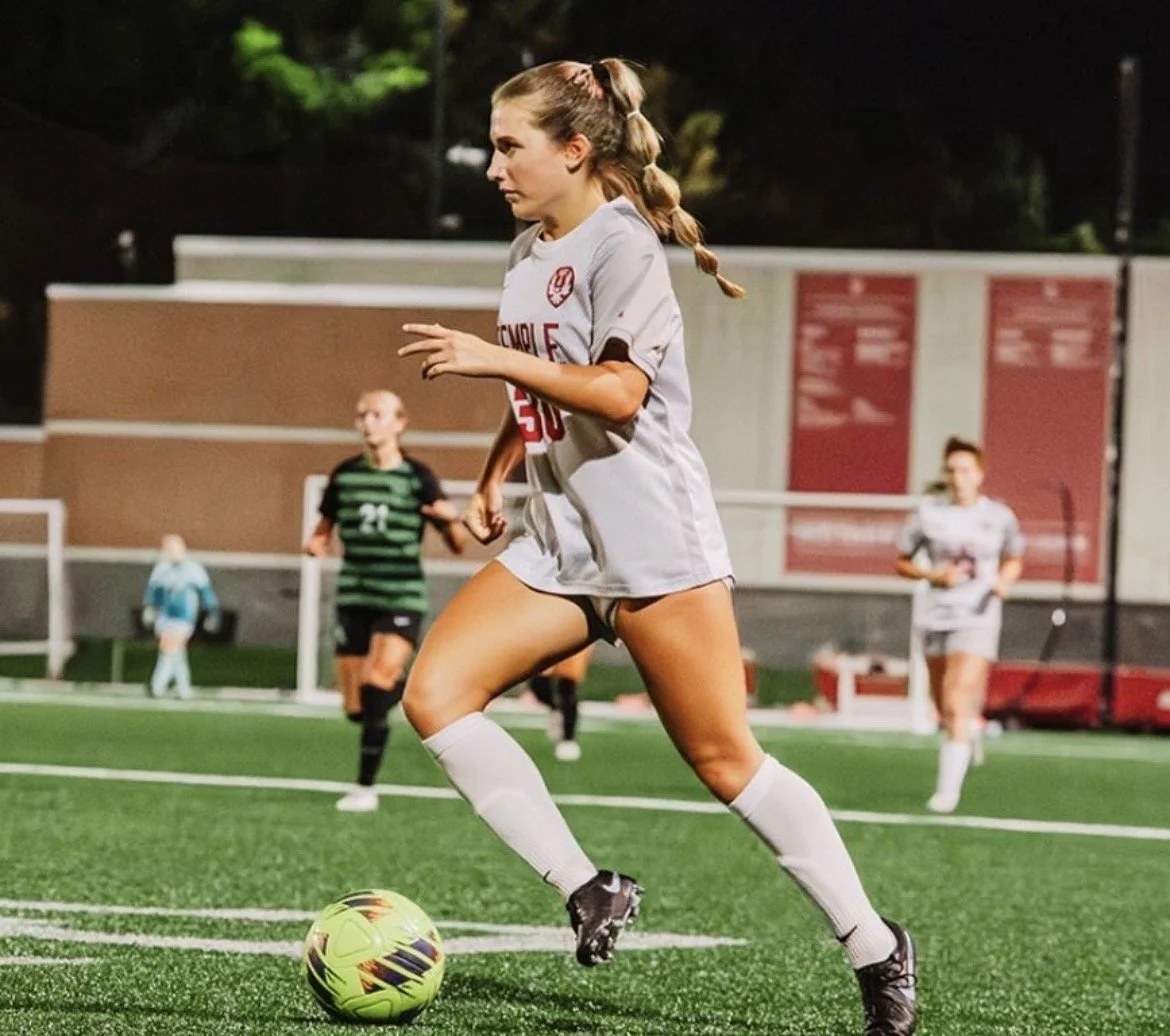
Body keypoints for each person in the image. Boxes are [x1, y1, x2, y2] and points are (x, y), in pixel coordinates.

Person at [396, 58, 916, 1035]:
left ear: (575, 149)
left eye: (511, 147)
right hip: (562, 543)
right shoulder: (526, 250)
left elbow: (617, 392)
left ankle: (875, 946)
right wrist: (494, 476)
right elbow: (547, 383)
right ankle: (589, 886)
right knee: (436, 696)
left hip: (650, 540)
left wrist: (490, 356)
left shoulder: (624, 247)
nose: (493, 166)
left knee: (727, 761)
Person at [304, 389, 467, 813]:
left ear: (400, 423)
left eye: (378, 414)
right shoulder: (344, 476)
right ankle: (400, 687)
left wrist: (449, 522)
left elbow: (458, 543)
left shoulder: (418, 478)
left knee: (376, 685)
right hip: (355, 594)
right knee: (356, 707)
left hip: (401, 593)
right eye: (362, 415)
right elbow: (324, 526)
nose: (368, 422)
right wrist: (317, 542)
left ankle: (364, 789)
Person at [895, 435, 1025, 815]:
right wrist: (933, 575)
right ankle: (966, 731)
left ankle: (946, 793)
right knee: (944, 706)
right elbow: (901, 561)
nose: (957, 477)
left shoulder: (999, 516)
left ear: (980, 474)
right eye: (951, 470)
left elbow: (1014, 556)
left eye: (965, 469)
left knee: (954, 698)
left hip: (978, 615)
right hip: (937, 616)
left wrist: (1005, 581)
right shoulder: (928, 514)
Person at [142, 534, 220, 700]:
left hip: (183, 618)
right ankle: (184, 689)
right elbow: (154, 592)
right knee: (176, 654)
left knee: (169, 649)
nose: (169, 551)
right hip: (164, 617)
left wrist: (211, 612)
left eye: (172, 547)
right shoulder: (161, 569)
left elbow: (206, 592)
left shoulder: (193, 569)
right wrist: (150, 609)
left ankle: (157, 686)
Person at [528, 645, 594, 761]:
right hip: (550, 635)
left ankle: (568, 739)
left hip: (576, 636)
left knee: (567, 684)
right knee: (538, 682)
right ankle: (557, 711)